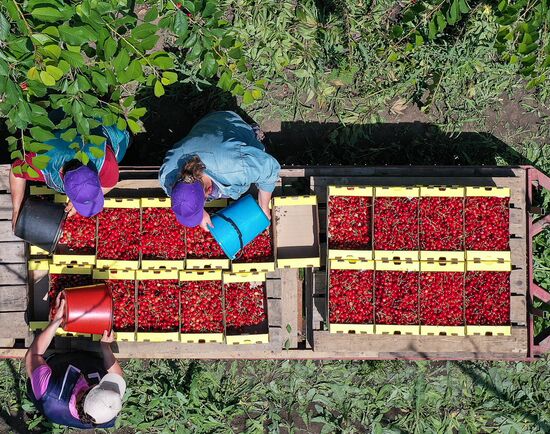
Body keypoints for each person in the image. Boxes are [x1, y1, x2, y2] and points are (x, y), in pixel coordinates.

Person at [159, 111, 280, 230]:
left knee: (255, 154)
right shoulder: (167, 176)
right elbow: (184, 196)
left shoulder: (236, 168)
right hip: (206, 124)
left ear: (209, 189)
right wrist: (200, 213)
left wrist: (264, 207)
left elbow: (269, 169)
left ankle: (253, 132)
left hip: (230, 123)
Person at [25, 295, 126, 429]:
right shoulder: (106, 411)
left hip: (58, 366)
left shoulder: (48, 391)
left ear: (88, 391)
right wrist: (105, 347)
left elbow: (34, 354)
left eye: (100, 385)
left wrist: (56, 320)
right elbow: (117, 375)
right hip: (88, 362)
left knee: (41, 368)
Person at [10, 119, 130, 227]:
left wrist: (77, 197)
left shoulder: (106, 162)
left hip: (103, 122)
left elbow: (110, 183)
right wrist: (16, 210)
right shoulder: (43, 162)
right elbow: (15, 172)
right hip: (63, 120)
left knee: (121, 144)